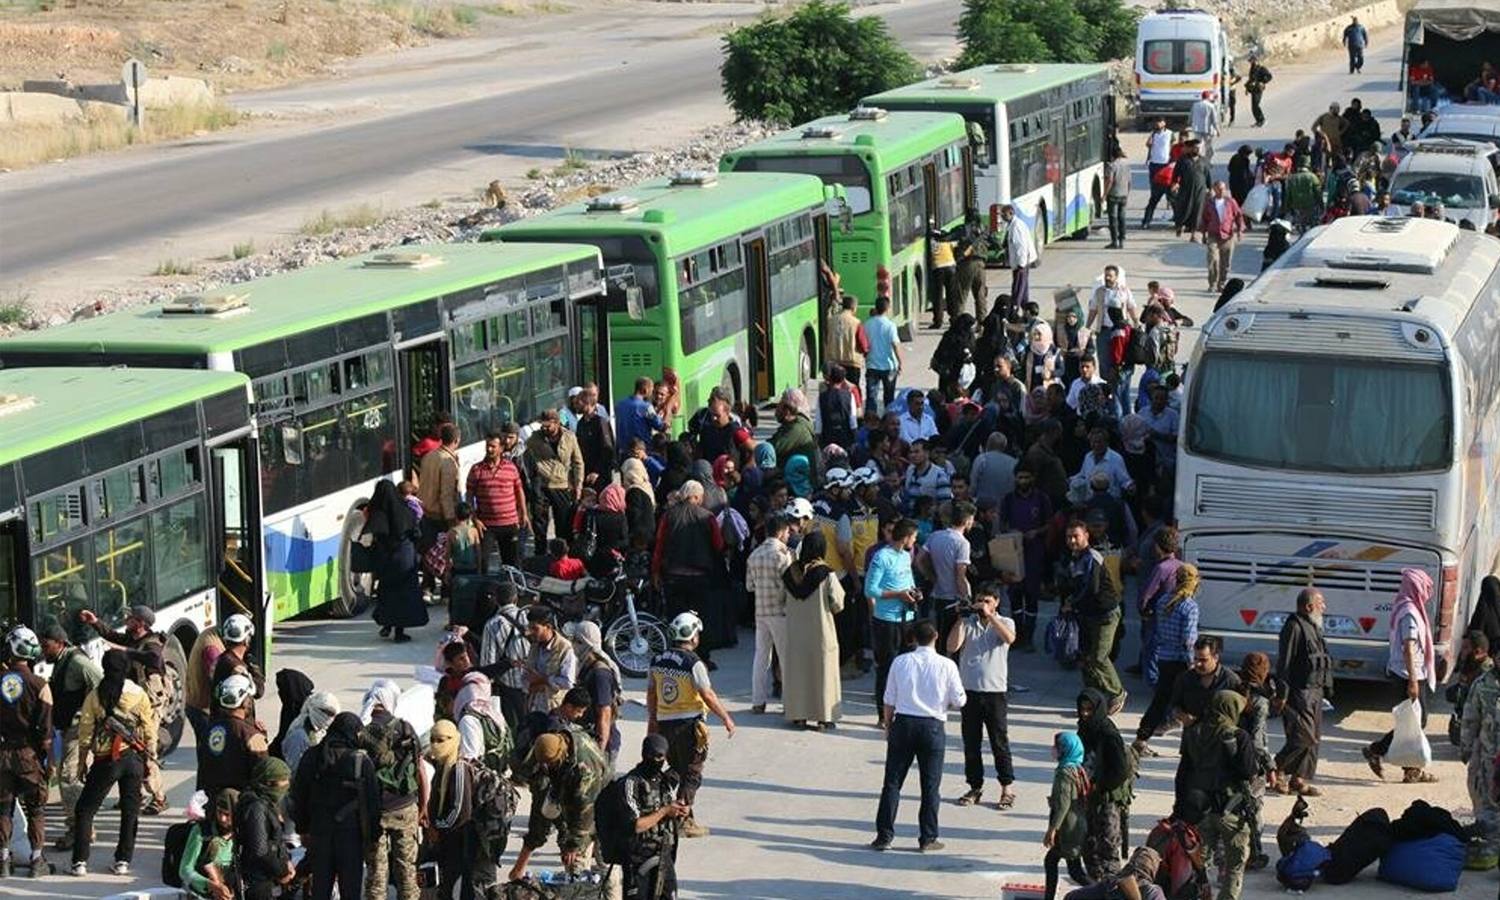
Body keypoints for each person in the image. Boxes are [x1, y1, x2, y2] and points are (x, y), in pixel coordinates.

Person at [871, 620, 965, 853]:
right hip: (932, 725)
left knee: (892, 782)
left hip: (903, 723)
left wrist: (888, 725)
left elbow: (889, 698)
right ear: (936, 637)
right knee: (930, 786)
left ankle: (884, 836)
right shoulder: (947, 665)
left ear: (912, 639)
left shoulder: (900, 662)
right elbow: (960, 700)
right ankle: (927, 838)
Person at [646, 612, 736, 838]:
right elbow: (707, 694)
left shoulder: (656, 660)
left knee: (677, 769)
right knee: (693, 772)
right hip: (690, 726)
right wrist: (725, 717)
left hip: (666, 725)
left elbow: (651, 694)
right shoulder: (693, 663)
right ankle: (683, 818)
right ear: (693, 636)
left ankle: (658, 801)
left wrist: (653, 721)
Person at [71, 648, 156, 877]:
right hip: (134, 759)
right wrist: (150, 757)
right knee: (130, 811)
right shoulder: (138, 693)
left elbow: (86, 732)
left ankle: (79, 862)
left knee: (85, 810)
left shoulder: (95, 696)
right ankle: (123, 861)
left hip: (106, 760)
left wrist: (81, 762)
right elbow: (149, 728)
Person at [79, 603, 169, 814]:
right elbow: (111, 634)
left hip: (148, 707)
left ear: (140, 623)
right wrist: (95, 622)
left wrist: (126, 652)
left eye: (130, 618)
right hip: (132, 704)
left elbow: (154, 658)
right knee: (128, 750)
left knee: (144, 749)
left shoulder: (152, 643)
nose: (126, 621)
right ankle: (133, 794)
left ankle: (159, 797)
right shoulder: (130, 637)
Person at [291, 712, 381, 900]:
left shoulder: (311, 756)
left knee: (321, 890)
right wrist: (373, 838)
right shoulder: (360, 761)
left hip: (319, 833)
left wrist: (302, 829)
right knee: (350, 891)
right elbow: (373, 804)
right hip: (350, 837)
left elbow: (298, 795)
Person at [1175, 691, 1256, 900]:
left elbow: (1183, 773)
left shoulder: (1192, 731)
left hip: (1199, 809)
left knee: (1197, 864)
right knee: (1234, 866)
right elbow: (1248, 771)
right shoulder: (1238, 735)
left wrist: (1180, 809)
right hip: (1231, 810)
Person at [1363, 567, 1439, 783]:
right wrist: (1414, 680)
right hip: (1408, 674)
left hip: (1407, 671)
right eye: (1425, 587)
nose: (1428, 591)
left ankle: (1410, 768)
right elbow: (1408, 647)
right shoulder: (1410, 613)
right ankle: (1379, 751)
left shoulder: (1408, 607)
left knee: (1413, 721)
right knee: (1416, 721)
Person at [509, 726, 612, 881]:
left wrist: (572, 846)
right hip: (583, 804)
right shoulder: (555, 742)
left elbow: (584, 813)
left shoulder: (584, 770)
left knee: (585, 870)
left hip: (600, 810)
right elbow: (542, 816)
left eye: (549, 764)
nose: (546, 767)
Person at [947, 583, 1017, 809]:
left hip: (995, 693)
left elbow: (1009, 639)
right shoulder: (968, 623)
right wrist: (961, 617)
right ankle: (974, 786)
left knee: (999, 742)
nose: (982, 605)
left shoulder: (1005, 622)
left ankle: (1007, 788)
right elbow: (951, 646)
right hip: (970, 693)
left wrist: (991, 617)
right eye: (979, 600)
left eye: (987, 601)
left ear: (996, 602)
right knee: (971, 743)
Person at [359, 683, 427, 900]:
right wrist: (423, 806)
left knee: (376, 872)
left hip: (373, 811)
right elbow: (420, 771)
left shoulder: (362, 730)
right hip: (405, 807)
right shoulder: (406, 728)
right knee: (407, 868)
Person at [38, 624, 99, 855]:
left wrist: (88, 715)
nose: (44, 651)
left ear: (60, 643)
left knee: (69, 778)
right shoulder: (63, 662)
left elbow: (100, 683)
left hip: (78, 729)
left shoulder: (77, 662)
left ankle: (79, 829)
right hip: (69, 728)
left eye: (47, 646)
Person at [653, 480, 726, 668]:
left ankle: (675, 657)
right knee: (702, 618)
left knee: (675, 616)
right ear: (695, 497)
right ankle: (702, 658)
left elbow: (659, 546)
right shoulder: (707, 517)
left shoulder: (668, 516)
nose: (702, 500)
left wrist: (656, 572)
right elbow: (718, 545)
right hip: (700, 576)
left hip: (673, 576)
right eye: (700, 497)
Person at [0, 626, 52, 878]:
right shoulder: (40, 685)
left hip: (2, 755)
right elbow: (46, 731)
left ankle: (3, 862)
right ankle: (36, 861)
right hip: (29, 757)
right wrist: (47, 761)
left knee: (3, 810)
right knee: (36, 810)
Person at [781, 530, 846, 729]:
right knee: (823, 673)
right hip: (821, 633)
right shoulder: (826, 573)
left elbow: (781, 600)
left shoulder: (789, 572)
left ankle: (798, 715)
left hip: (795, 632)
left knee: (798, 672)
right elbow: (838, 603)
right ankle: (824, 716)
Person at [1134, 564, 1200, 756]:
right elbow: (1188, 640)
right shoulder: (1190, 606)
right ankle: (1189, 746)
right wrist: (1192, 663)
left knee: (1160, 701)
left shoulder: (1163, 600)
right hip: (1181, 661)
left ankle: (1141, 738)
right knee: (1190, 704)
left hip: (1164, 657)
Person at [1274, 589, 1331, 796]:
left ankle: (1298, 780)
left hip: (1315, 692)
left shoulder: (1314, 626)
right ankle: (1276, 768)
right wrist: (1282, 694)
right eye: (1321, 603)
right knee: (1302, 736)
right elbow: (1284, 664)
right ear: (1308, 606)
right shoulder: (1293, 627)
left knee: (1314, 738)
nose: (1324, 607)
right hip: (1299, 693)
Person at [1064, 520, 1125, 714]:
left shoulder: (1091, 557)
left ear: (1086, 536)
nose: (1072, 540)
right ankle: (1093, 698)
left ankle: (1117, 693)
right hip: (1087, 614)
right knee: (1086, 659)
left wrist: (1072, 603)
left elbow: (1092, 588)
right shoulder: (1074, 558)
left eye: (1076, 536)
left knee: (1099, 657)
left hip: (1105, 614)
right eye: (1069, 537)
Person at [621, 734, 688, 900]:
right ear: (645, 755)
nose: (658, 760)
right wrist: (665, 811)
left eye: (662, 756)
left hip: (664, 856)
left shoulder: (663, 781)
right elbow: (636, 825)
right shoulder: (631, 783)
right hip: (638, 858)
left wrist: (678, 811)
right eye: (655, 756)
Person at [867, 519, 922, 718]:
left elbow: (909, 581)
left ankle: (904, 708)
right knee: (887, 667)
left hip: (906, 618)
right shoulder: (881, 557)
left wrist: (914, 593)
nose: (915, 541)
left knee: (908, 665)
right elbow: (870, 589)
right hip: (886, 620)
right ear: (906, 537)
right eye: (914, 537)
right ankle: (883, 714)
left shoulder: (906, 556)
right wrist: (898, 594)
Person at [1077, 688, 1131, 881]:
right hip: (1087, 796)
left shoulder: (1108, 735)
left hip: (1107, 799)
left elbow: (1120, 771)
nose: (1085, 714)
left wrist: (1100, 787)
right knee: (1088, 845)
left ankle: (1112, 888)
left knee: (1108, 846)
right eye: (1082, 709)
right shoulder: (1083, 729)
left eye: (1089, 710)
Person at [363, 480, 426, 643]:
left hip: (385, 561)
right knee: (403, 595)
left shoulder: (377, 515)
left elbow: (371, 535)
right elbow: (417, 533)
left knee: (386, 593)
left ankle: (386, 624)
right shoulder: (405, 511)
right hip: (404, 559)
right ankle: (399, 632)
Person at [747, 514, 794, 716]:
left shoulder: (754, 555)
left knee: (761, 658)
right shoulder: (783, 556)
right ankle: (789, 702)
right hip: (780, 612)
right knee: (785, 658)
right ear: (782, 531)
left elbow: (750, 586)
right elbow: (790, 586)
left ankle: (758, 701)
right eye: (788, 532)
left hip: (761, 612)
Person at [467, 425, 529, 569]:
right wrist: (475, 519)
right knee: (482, 563)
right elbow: (469, 498)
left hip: (510, 524)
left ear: (501, 448)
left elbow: (519, 491)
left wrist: (524, 513)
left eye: (493, 446)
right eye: (487, 446)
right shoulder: (476, 470)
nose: (489, 449)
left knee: (512, 564)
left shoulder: (511, 468)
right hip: (486, 526)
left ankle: (512, 590)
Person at [197, 675, 269, 802]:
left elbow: (203, 770)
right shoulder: (252, 735)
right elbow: (264, 773)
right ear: (246, 702)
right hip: (243, 806)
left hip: (213, 804)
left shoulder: (208, 730)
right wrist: (263, 739)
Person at [235, 757, 296, 900]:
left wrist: (286, 862)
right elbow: (260, 850)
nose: (287, 784)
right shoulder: (257, 808)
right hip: (258, 881)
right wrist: (281, 872)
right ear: (269, 782)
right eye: (283, 780)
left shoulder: (265, 803)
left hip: (267, 877)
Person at [562, 620, 623, 764]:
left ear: (587, 644)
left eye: (577, 641)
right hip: (588, 737)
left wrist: (599, 752)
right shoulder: (586, 666)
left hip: (602, 742)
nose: (573, 645)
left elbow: (605, 714)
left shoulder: (599, 674)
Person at [1460, 632, 1500, 845]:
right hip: (1488, 755)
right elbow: (1470, 717)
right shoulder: (1483, 684)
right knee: (1484, 797)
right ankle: (1490, 839)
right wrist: (1466, 747)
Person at [1043, 731, 1094, 900]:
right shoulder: (1076, 768)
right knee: (1053, 861)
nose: (1052, 749)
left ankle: (1103, 891)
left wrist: (1052, 829)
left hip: (1068, 829)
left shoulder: (1065, 773)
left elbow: (1064, 805)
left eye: (1056, 747)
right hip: (1076, 825)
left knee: (1075, 871)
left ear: (1065, 750)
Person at [525, 408, 585, 546]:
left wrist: (578, 485)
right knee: (540, 522)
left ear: (557, 423)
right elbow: (524, 453)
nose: (544, 428)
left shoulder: (569, 437)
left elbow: (578, 462)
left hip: (562, 485)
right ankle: (540, 551)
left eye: (548, 425)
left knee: (563, 523)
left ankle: (562, 552)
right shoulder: (535, 438)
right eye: (542, 425)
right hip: (543, 486)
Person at [180, 789, 238, 900]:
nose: (222, 818)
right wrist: (209, 885)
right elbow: (185, 869)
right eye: (219, 812)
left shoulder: (242, 833)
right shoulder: (202, 831)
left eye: (227, 814)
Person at [521, 607, 576, 714]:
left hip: (552, 709)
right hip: (533, 706)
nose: (530, 632)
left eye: (535, 628)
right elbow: (526, 676)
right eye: (530, 628)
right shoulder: (535, 646)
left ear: (548, 627)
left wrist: (544, 680)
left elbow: (568, 682)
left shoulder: (564, 648)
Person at [417, 421, 462, 550]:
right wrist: (451, 523)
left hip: (425, 513)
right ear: (457, 440)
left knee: (429, 556)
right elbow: (446, 496)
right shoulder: (447, 462)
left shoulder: (429, 456)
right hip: (440, 518)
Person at [279, 690, 339, 775]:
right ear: (316, 709)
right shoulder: (298, 735)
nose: (330, 718)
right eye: (328, 713)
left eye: (333, 715)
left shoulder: (320, 729)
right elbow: (296, 768)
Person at [1198, 180, 1243, 293]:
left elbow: (1238, 216)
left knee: (1226, 262)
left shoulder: (1230, 202)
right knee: (1213, 259)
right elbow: (1204, 219)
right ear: (1214, 189)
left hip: (1228, 235)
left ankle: (1221, 283)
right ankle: (1212, 283)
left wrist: (1240, 231)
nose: (1221, 191)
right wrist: (1203, 234)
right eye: (1219, 189)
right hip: (1213, 235)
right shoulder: (1209, 203)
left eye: (1223, 189)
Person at [863, 294, 903, 415]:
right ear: (887, 309)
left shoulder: (866, 324)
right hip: (889, 366)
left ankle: (870, 422)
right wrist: (900, 363)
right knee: (889, 397)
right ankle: (888, 420)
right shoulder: (890, 326)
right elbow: (895, 345)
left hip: (872, 365)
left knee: (871, 397)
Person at [1171, 140, 1212, 242]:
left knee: (1197, 211)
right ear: (1191, 148)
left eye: (1199, 148)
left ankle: (1193, 235)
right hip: (1185, 190)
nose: (1197, 150)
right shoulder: (1183, 160)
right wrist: (1175, 183)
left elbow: (1208, 175)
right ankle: (1179, 226)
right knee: (1184, 209)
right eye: (1195, 148)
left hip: (1200, 190)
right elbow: (1175, 174)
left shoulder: (1204, 161)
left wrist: (1210, 188)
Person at [1000, 203, 1038, 308]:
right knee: (1023, 290)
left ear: (1011, 213)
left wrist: (1021, 264)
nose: (1002, 217)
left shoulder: (1016, 226)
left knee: (1017, 290)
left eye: (1004, 214)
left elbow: (1021, 246)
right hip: (1019, 263)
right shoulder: (1012, 225)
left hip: (1021, 264)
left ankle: (1015, 310)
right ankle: (1026, 309)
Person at [825, 294, 866, 388]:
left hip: (834, 362)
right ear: (854, 307)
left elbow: (827, 337)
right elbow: (863, 343)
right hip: (852, 363)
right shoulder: (856, 322)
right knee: (852, 389)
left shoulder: (831, 320)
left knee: (835, 388)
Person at [1142, 119, 1175, 229]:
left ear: (1164, 123)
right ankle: (1146, 221)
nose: (1158, 124)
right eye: (1157, 122)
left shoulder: (1170, 134)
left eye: (1160, 122)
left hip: (1166, 166)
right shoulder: (1153, 133)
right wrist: (1148, 145)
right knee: (1154, 196)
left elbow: (1174, 147)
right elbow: (1148, 145)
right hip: (1154, 165)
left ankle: (1178, 219)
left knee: (1172, 196)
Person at [1104, 147, 1130, 249]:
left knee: (1113, 219)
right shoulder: (1127, 166)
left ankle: (1114, 241)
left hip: (1113, 195)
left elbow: (1109, 181)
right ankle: (1122, 240)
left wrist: (1104, 194)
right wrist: (1127, 193)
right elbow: (1129, 182)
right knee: (1122, 218)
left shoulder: (1112, 166)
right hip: (1124, 195)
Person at [1189, 92, 1220, 164]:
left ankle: (1197, 160)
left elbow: (1190, 116)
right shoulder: (1211, 106)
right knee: (1209, 147)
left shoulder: (1195, 105)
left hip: (1197, 129)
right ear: (1209, 97)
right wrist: (1217, 130)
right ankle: (1207, 161)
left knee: (1198, 145)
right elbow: (1214, 120)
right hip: (1208, 130)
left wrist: (1190, 123)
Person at [1245, 55, 1271, 127]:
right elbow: (1251, 79)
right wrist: (1247, 88)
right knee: (1253, 107)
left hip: (1258, 89)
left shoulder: (1261, 68)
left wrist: (1263, 82)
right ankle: (1258, 121)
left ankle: (1262, 120)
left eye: (1251, 60)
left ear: (1255, 60)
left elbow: (1269, 76)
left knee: (1256, 105)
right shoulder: (1252, 68)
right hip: (1253, 89)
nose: (1250, 62)